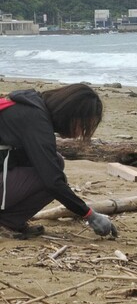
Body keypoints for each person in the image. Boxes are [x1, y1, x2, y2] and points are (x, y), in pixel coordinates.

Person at [0, 83, 117, 239]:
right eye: (82, 126)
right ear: (71, 114)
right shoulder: (36, 120)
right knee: (50, 180)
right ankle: (6, 222)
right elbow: (52, 181)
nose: (79, 134)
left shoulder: (30, 104)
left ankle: (8, 221)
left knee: (56, 162)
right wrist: (90, 215)